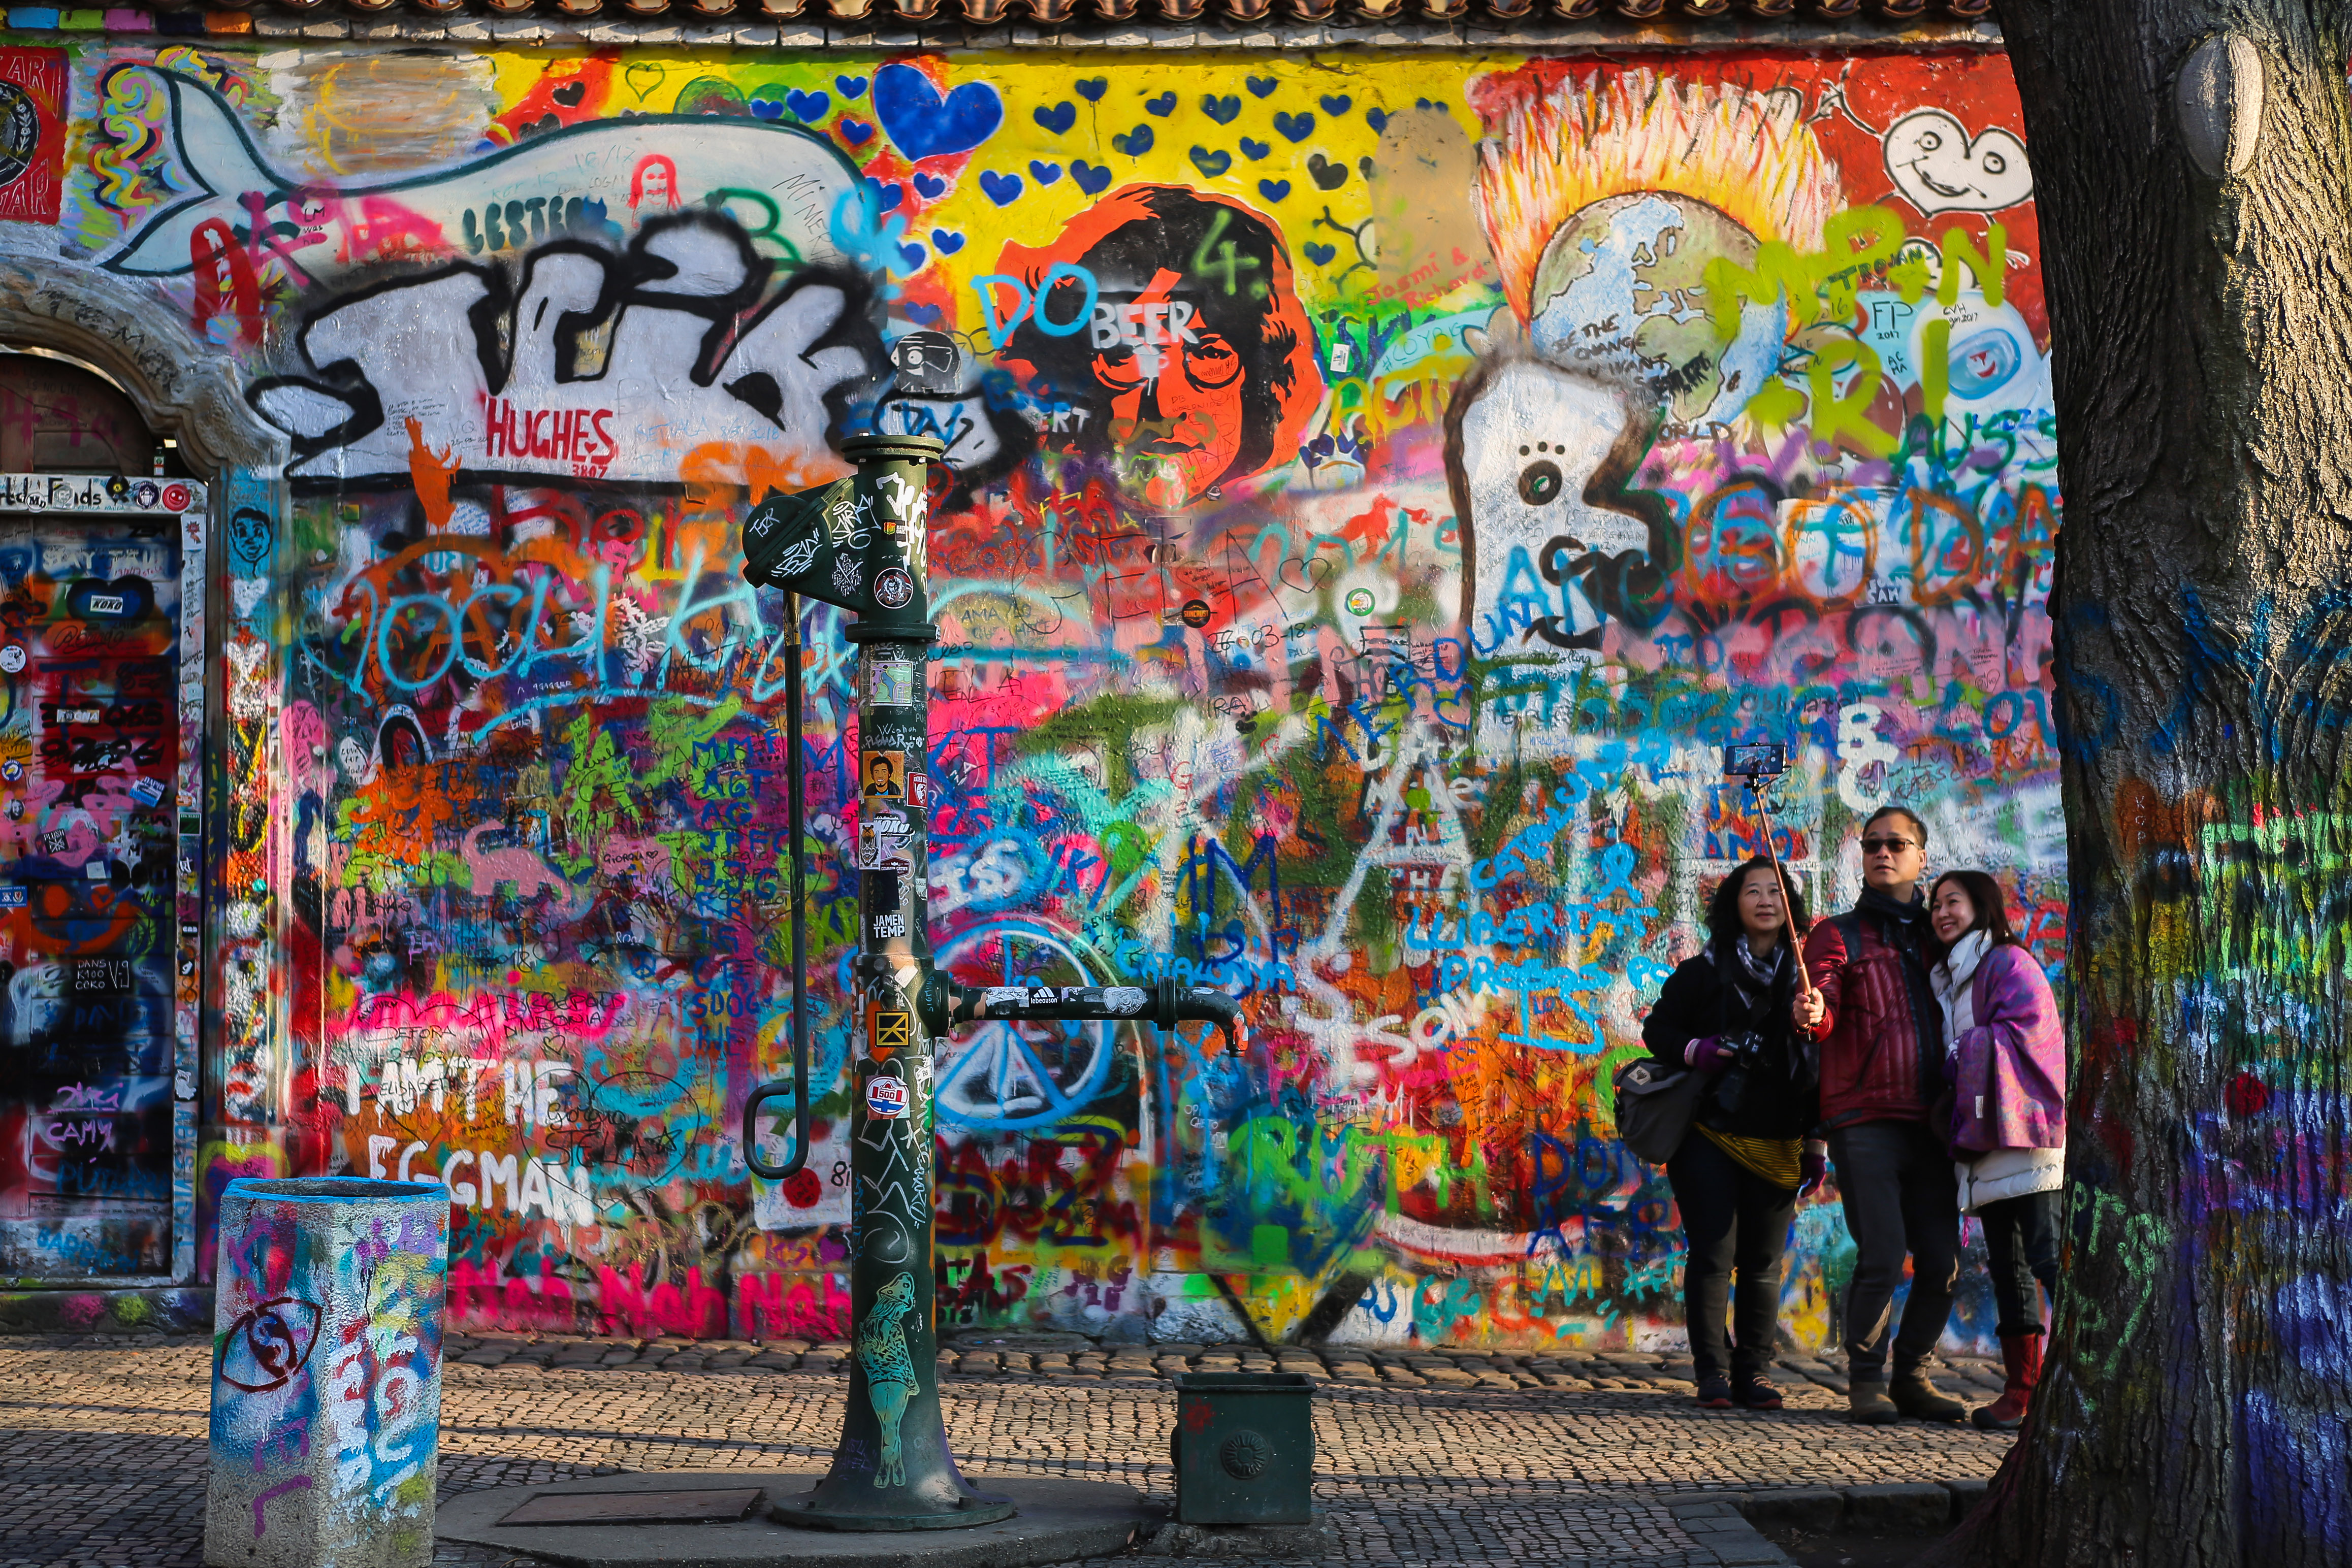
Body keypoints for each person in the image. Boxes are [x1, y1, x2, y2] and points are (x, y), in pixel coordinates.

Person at [991, 185, 1322, 511]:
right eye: (1124, 357)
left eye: (1209, 356)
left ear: (1263, 374)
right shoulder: (1032, 510)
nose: (1164, 408)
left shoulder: (1303, 504)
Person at [1796, 804, 1968, 1424]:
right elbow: (1823, 1002)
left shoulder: (1941, 933)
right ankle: (1865, 1380)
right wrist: (1813, 1012)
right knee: (1881, 1250)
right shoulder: (1835, 934)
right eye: (1871, 844)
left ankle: (1912, 1375)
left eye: (1896, 843)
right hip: (1863, 1116)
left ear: (1922, 855)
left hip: (1935, 1121)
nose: (1882, 852)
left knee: (1943, 1258)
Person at [1642, 856, 1826, 1412]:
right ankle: (1711, 1374)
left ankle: (1755, 1373)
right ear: (1733, 904)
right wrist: (1697, 1050)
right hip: (1708, 1133)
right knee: (1712, 1253)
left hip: (1778, 1136)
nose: (1766, 900)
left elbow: (1822, 1063)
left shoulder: (1807, 982)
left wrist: (1816, 1143)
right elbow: (1658, 1029)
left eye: (1776, 891)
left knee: (1764, 1261)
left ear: (1789, 907)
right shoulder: (1702, 971)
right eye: (1753, 891)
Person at [1926, 869, 2066, 1431]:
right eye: (1934, 905)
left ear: (1982, 906)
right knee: (2006, 1266)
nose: (1940, 912)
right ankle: (2020, 1390)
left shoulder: (2006, 962)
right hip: (1985, 1137)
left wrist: (1962, 1052)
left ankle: (2088, 1374)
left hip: (2024, 1133)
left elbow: (2031, 1032)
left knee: (2047, 1255)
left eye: (1952, 902)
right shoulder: (1951, 977)